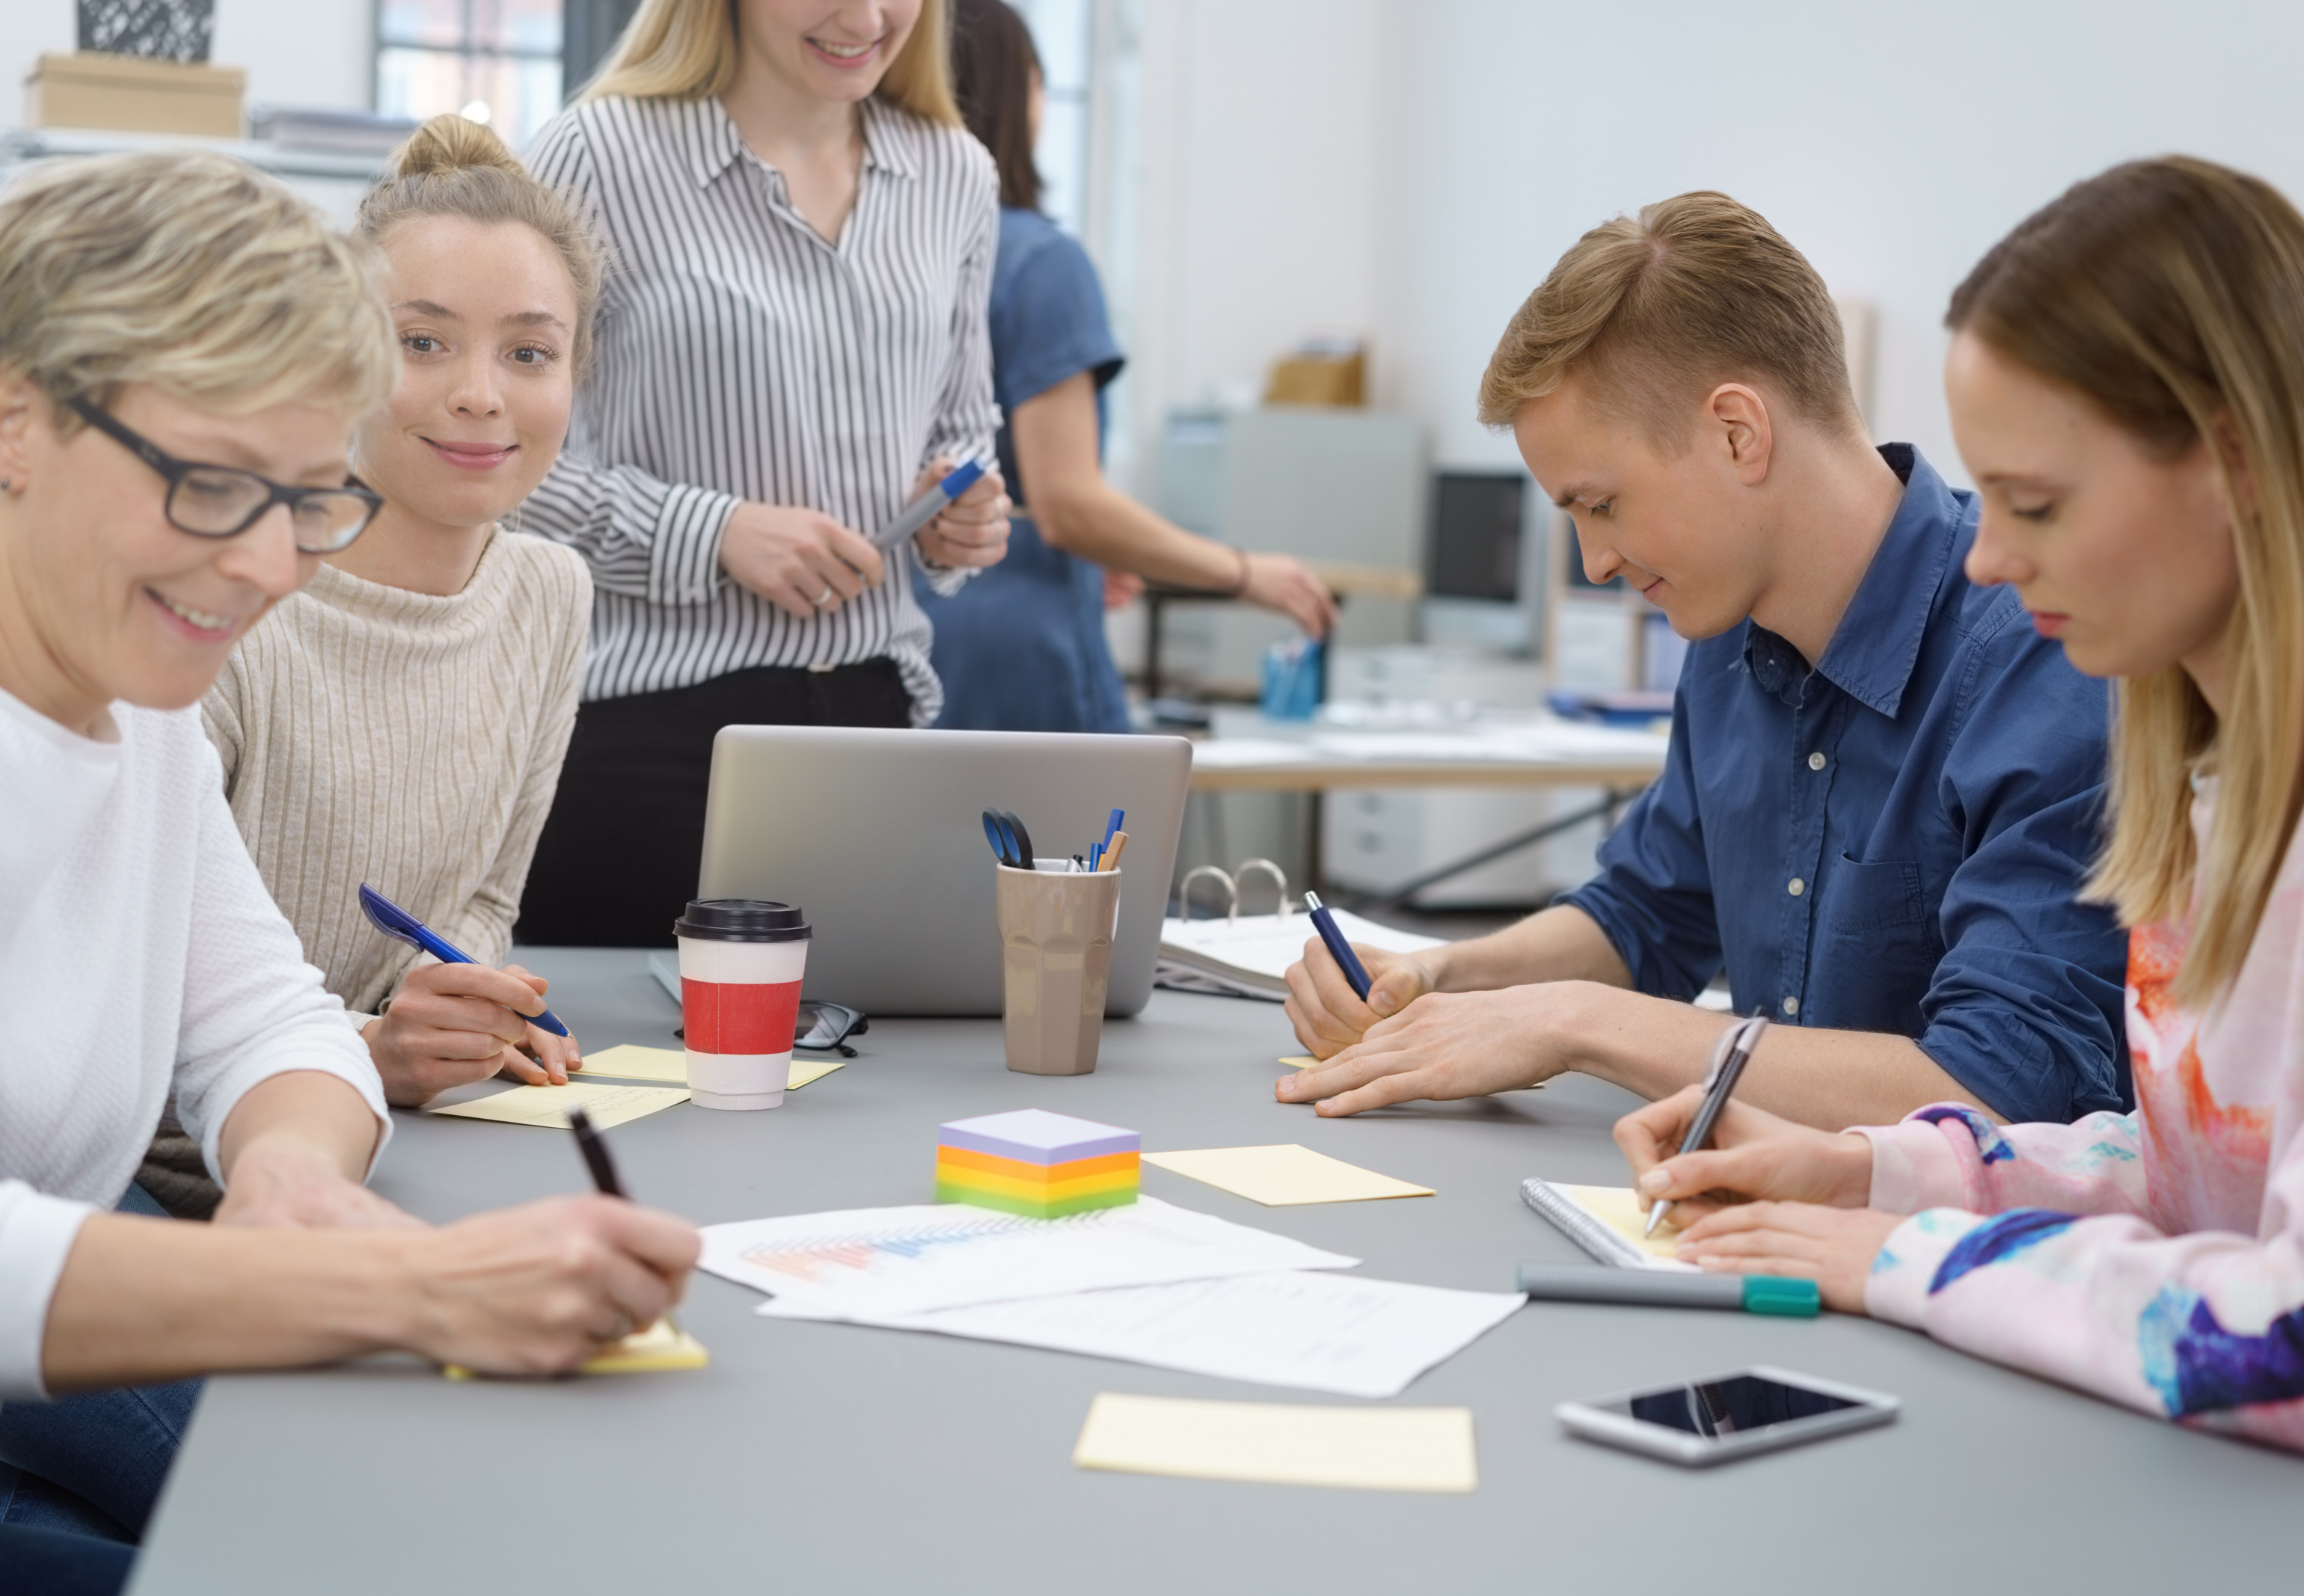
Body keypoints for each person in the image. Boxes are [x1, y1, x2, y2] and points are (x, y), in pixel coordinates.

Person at [1615, 157, 2304, 1468]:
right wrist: (1886, 1168)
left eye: (2035, 504)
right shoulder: (2221, 770)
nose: (1986, 554)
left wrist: (1918, 1253)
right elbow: (2204, 1172)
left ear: (2239, 462)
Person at [0, 150, 698, 1589]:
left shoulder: (142, 714)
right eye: (212, 486)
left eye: (312, 500)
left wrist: (291, 1174)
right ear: (11, 422)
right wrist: (395, 1278)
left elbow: (266, 1016)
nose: (266, 567)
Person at [1278, 193, 2128, 1132]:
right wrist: (1438, 972)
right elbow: (1647, 915)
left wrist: (1574, 1021)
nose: (1595, 562)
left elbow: (2002, 1086)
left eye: (1600, 506)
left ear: (1737, 433)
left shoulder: (2044, 652)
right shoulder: (1727, 634)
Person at [135, 116, 600, 1233]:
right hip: (166, 1183)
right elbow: (130, 1017)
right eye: (423, 343)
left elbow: (483, 897)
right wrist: (367, 1048)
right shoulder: (227, 603)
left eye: (529, 353)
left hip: (388, 1150)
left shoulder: (548, 590)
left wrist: (457, 1013)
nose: (482, 394)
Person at [512, 0, 1014, 947]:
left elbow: (963, 433)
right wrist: (713, 532)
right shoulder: (596, 156)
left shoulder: (956, 175)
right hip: (646, 737)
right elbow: (502, 469)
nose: (866, 18)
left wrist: (965, 514)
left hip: (874, 733)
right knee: (630, 1087)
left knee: (882, 1085)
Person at [918, 0, 1338, 731]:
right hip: (1019, 663)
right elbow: (1068, 505)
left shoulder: (896, 259)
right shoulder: (1039, 263)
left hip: (909, 648)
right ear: (1016, 96)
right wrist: (1242, 572)